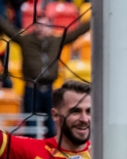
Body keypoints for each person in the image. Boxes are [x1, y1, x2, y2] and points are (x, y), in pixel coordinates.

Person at [0, 9, 91, 138]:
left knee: (51, 126)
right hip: (31, 90)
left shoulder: (56, 40)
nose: (41, 28)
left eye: (44, 25)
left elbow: (76, 33)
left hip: (49, 90)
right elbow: (8, 29)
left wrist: (93, 19)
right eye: (38, 25)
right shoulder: (26, 40)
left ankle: (50, 149)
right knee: (32, 127)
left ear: (49, 26)